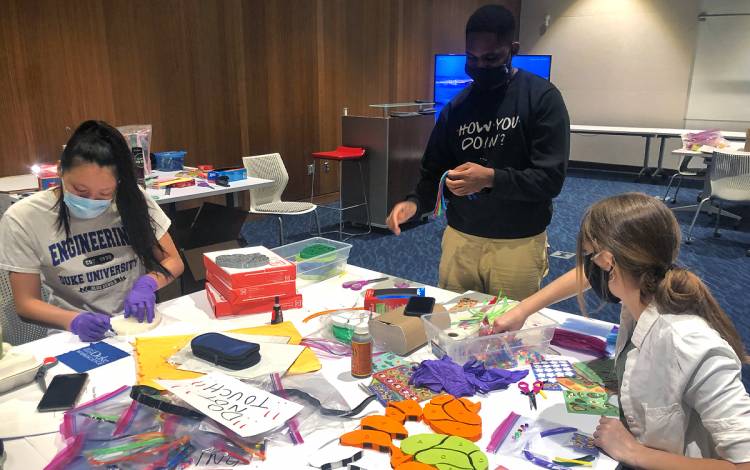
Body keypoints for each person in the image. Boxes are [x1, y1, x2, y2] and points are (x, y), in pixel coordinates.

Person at [495, 192, 750, 468]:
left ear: (608, 263)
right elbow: (583, 277)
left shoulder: (689, 344)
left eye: (591, 257)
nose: (589, 268)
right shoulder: (638, 300)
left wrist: (632, 451)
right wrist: (523, 309)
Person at [386, 4, 570, 301]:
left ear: (513, 49)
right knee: (454, 332)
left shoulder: (542, 98)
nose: (480, 66)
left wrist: (491, 178)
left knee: (509, 335)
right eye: (471, 58)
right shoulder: (458, 107)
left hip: (518, 243)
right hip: (461, 238)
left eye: (491, 58)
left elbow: (549, 179)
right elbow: (434, 172)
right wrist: (414, 203)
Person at [0, 120, 184, 342]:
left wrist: (148, 283)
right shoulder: (25, 217)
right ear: (60, 171)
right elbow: (26, 303)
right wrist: (73, 320)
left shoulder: (131, 199)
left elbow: (173, 260)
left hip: (136, 324)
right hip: (73, 334)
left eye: (105, 193)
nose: (91, 201)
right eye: (80, 190)